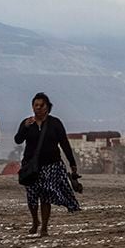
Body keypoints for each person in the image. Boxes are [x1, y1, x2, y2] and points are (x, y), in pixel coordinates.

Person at [14, 92, 80, 237]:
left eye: (41, 105)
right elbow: (18, 140)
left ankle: (44, 226)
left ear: (47, 107)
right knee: (32, 196)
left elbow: (64, 143)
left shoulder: (55, 123)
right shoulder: (27, 123)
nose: (38, 108)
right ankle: (34, 221)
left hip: (51, 165)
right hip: (31, 167)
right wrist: (24, 127)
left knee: (45, 195)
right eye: (35, 105)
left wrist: (72, 163)